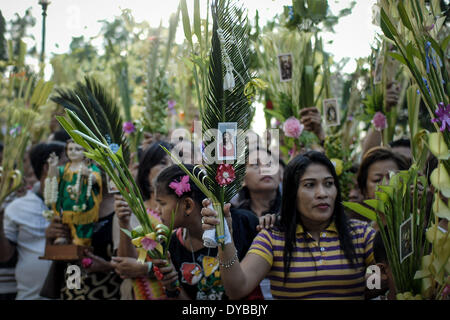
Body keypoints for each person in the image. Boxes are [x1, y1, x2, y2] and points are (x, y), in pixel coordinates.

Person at [201, 151, 376, 300]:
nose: (322, 193)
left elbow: (383, 282)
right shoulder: (272, 238)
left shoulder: (361, 234)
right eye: (310, 185)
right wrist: (226, 238)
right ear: (292, 193)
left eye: (329, 184)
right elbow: (237, 289)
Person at [152, 164, 260, 300]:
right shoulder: (170, 245)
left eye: (161, 203)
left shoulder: (244, 223)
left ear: (187, 205)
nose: (157, 210)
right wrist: (173, 287)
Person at [0, 142, 65, 299]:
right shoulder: (17, 207)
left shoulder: (81, 204)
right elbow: (4, 256)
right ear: (48, 166)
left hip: (69, 292)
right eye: (66, 163)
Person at [111, 141, 174, 300]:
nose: (170, 168)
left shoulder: (186, 211)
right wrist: (124, 222)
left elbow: (187, 262)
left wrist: (148, 268)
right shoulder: (132, 212)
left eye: (174, 163)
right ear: (146, 173)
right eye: (162, 163)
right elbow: (125, 266)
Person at [47, 139, 102, 246]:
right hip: (66, 203)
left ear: (85, 152)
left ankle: (82, 241)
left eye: (77, 149)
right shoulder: (65, 169)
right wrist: (52, 166)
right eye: (70, 149)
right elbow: (53, 176)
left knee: (83, 225)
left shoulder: (89, 167)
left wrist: (88, 175)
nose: (73, 152)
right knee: (63, 224)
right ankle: (62, 238)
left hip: (83, 203)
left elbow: (97, 179)